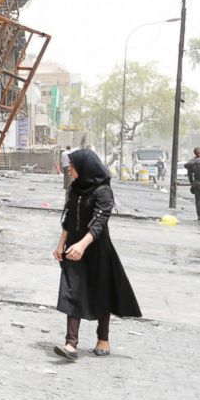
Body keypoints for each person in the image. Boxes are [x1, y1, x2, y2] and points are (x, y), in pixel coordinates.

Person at [53, 149, 141, 360]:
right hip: (74, 248)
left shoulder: (103, 191)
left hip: (97, 250)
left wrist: (82, 246)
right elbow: (69, 219)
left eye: (72, 166)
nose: (69, 169)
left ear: (85, 167)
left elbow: (98, 223)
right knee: (72, 290)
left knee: (101, 292)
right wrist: (61, 245)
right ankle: (71, 344)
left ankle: (103, 338)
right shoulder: (75, 188)